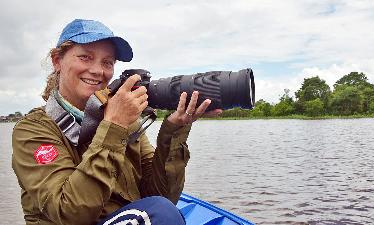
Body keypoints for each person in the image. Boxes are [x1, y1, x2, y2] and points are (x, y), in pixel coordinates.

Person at [12, 19, 222, 225]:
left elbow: (162, 195)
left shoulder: (124, 122)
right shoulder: (33, 130)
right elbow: (70, 213)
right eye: (85, 57)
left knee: (162, 208)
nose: (98, 70)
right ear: (57, 60)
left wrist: (174, 130)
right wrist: (114, 126)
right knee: (160, 213)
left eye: (107, 62)